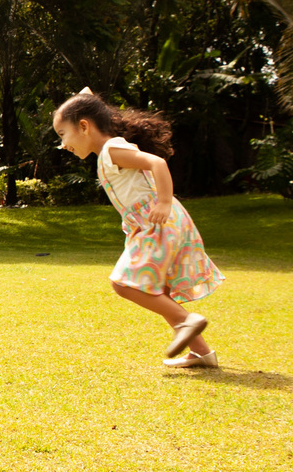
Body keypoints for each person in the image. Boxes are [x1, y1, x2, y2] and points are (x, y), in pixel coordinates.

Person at [52, 89, 225, 368]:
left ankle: (187, 321)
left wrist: (164, 202)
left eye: (62, 134)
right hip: (156, 222)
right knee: (158, 289)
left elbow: (156, 162)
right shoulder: (109, 151)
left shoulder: (111, 149)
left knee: (123, 283)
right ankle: (202, 353)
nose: (62, 144)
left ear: (83, 126)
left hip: (157, 221)